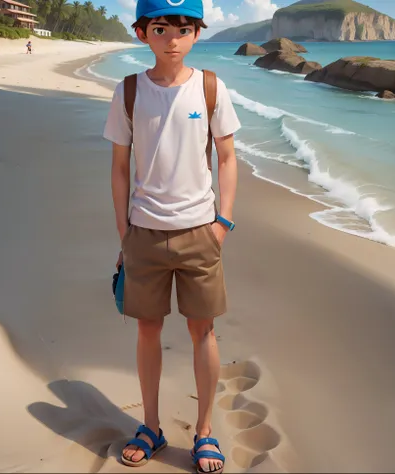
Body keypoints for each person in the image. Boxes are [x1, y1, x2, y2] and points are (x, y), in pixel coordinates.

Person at [103, 0, 240, 472]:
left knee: (204, 330)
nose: (173, 39)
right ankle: (152, 426)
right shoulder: (128, 91)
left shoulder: (210, 87)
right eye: (161, 28)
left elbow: (226, 157)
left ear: (198, 33)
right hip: (144, 233)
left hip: (201, 231)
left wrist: (222, 222)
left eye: (184, 29)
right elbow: (120, 167)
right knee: (147, 330)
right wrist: (125, 232)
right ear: (142, 33)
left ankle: (204, 431)